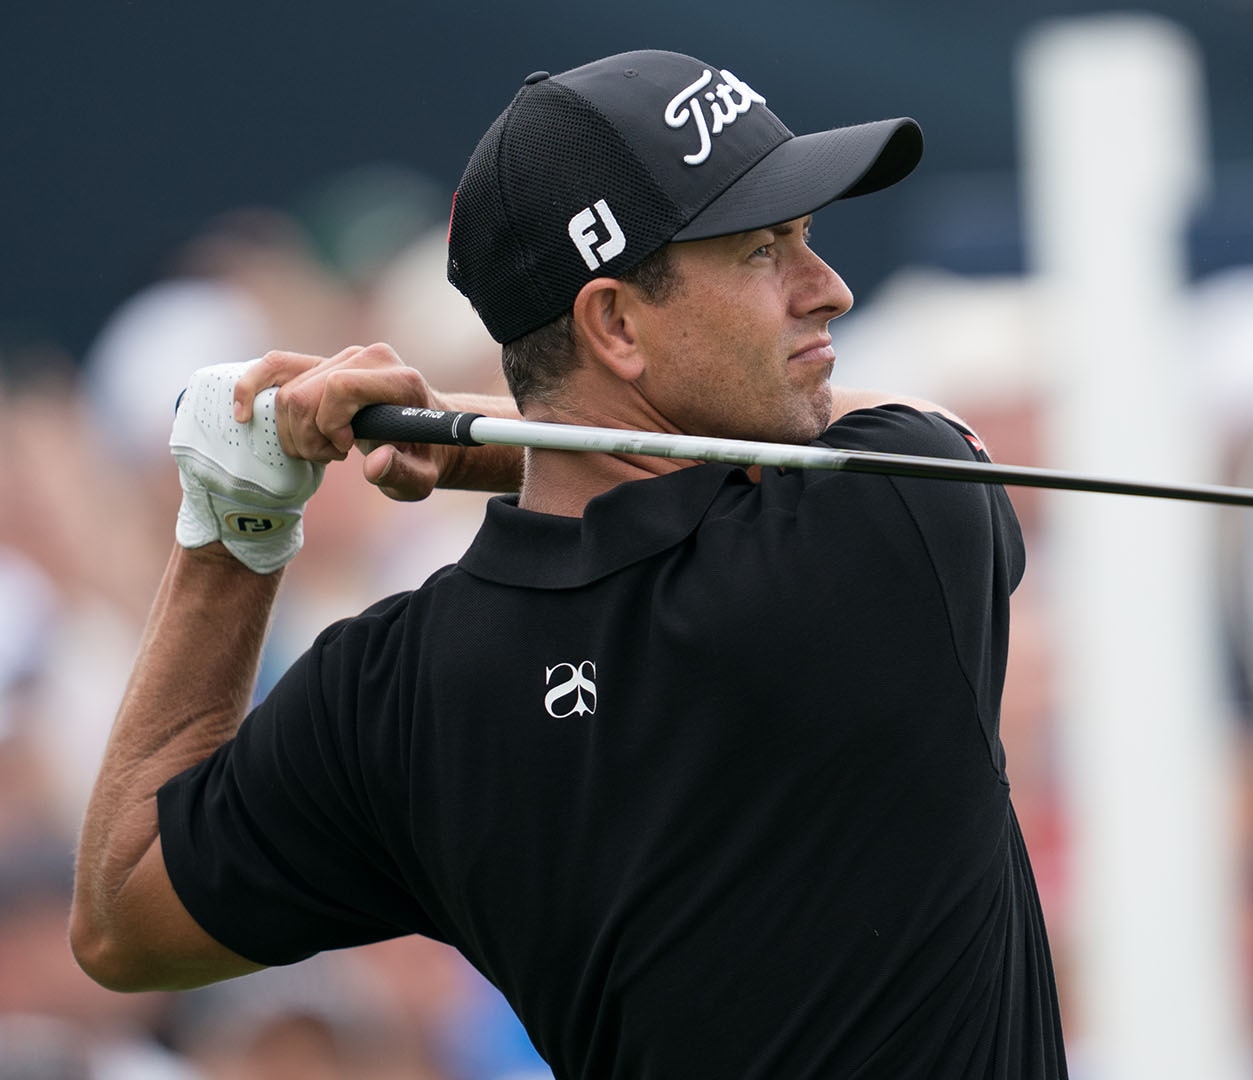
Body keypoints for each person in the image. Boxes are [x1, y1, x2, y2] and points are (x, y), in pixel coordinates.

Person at [69, 50, 1066, 1078]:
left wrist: (237, 515)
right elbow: (929, 434)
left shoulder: (396, 693)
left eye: (806, 238)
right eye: (765, 251)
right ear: (616, 324)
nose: (830, 290)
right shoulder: (892, 520)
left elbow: (121, 919)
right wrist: (474, 437)